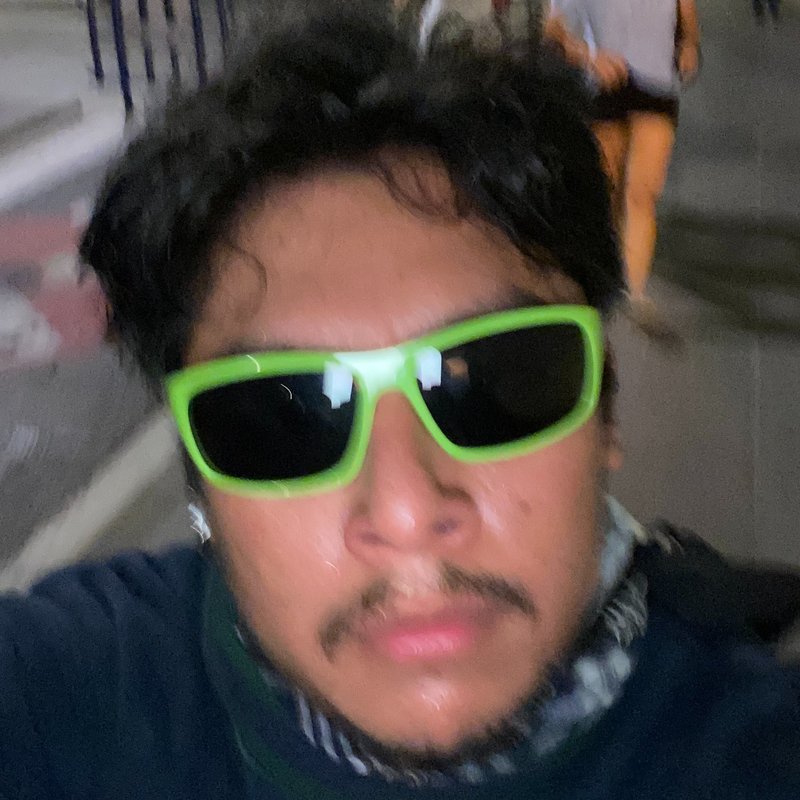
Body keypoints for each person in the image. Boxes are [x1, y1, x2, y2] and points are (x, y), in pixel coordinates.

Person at [1, 4, 798, 798]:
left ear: (605, 411)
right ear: (203, 485)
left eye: (492, 381)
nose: (408, 511)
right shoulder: (72, 694)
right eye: (283, 417)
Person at [550, 0, 700, 336]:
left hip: (657, 83)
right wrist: (588, 56)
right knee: (608, 187)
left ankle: (634, 292)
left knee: (643, 193)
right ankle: (606, 272)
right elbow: (553, 29)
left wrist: (689, 43)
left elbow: (685, 7)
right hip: (602, 83)